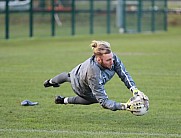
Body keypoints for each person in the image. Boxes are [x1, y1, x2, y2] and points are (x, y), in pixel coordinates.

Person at [44, 40, 148, 111]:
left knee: (68, 76)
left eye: (112, 58)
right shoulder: (94, 74)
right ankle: (63, 99)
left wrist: (134, 89)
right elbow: (103, 101)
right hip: (80, 86)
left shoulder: (113, 58)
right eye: (108, 60)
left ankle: (50, 82)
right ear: (98, 60)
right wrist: (124, 106)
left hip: (79, 70)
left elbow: (124, 74)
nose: (112, 61)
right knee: (93, 98)